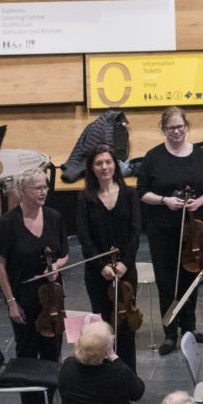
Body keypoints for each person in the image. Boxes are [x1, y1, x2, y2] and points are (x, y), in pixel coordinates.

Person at [0, 170, 70, 404]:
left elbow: (64, 255)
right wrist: (11, 302)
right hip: (23, 301)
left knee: (51, 355)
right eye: (37, 188)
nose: (43, 192)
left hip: (53, 301)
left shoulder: (55, 218)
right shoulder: (8, 223)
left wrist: (56, 267)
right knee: (26, 357)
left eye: (45, 187)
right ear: (22, 191)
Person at [138, 107, 203, 355]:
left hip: (194, 230)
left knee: (191, 278)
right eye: (171, 128)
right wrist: (165, 200)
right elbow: (142, 192)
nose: (176, 131)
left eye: (180, 126)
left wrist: (200, 201)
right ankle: (170, 333)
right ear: (163, 130)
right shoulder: (153, 156)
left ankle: (190, 327)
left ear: (187, 127)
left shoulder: (201, 155)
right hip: (163, 229)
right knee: (167, 281)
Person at [74, 145, 144, 367]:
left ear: (115, 164)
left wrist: (125, 263)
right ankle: (105, 375)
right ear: (92, 168)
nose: (104, 167)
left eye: (108, 162)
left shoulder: (130, 194)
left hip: (126, 271)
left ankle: (127, 378)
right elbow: (85, 238)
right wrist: (102, 266)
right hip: (97, 273)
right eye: (98, 163)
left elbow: (135, 233)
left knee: (126, 325)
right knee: (102, 326)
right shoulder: (85, 198)